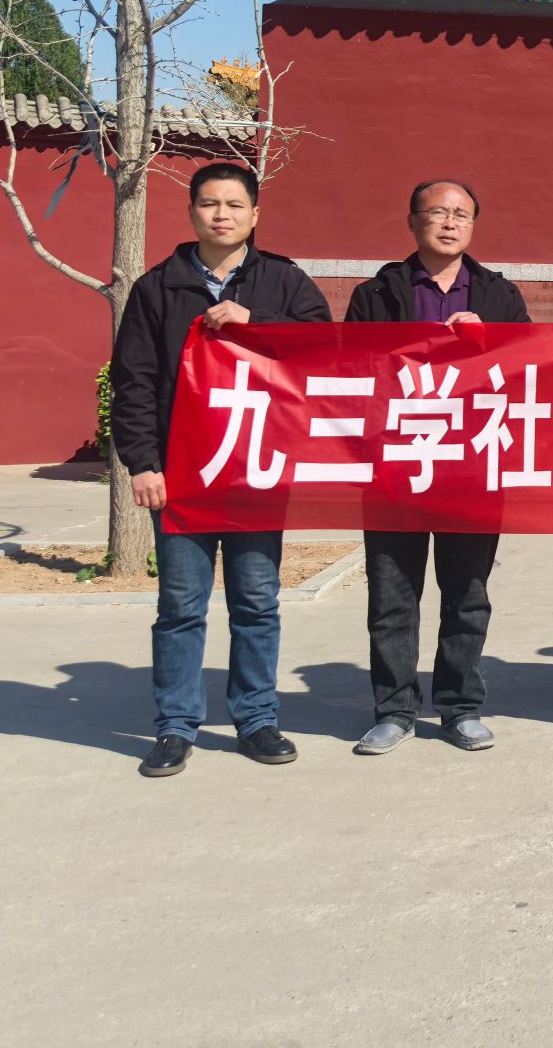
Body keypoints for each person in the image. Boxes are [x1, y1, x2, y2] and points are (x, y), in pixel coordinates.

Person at [111, 162, 331, 778]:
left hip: (256, 471)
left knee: (256, 602)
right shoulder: (157, 287)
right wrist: (143, 464)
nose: (222, 215)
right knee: (181, 606)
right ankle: (176, 725)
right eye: (210, 204)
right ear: (192, 213)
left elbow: (323, 350)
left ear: (255, 214)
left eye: (235, 204)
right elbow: (134, 382)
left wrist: (255, 323)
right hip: (182, 478)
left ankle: (256, 718)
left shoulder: (284, 281)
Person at [346, 180, 530, 755]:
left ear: (474, 224)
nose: (450, 223)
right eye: (437, 212)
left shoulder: (500, 296)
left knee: (467, 594)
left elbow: (529, 369)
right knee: (392, 596)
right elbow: (351, 370)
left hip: (472, 466)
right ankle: (395, 709)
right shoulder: (376, 294)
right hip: (396, 464)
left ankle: (460, 705)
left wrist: (485, 344)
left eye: (461, 214)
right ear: (412, 221)